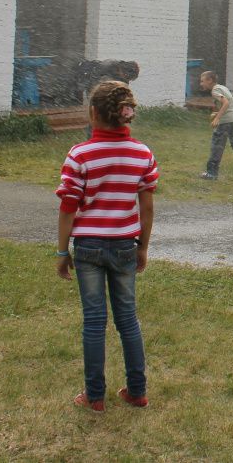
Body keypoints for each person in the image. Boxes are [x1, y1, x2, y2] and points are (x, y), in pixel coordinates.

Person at [55, 80, 157, 412]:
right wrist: (142, 246)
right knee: (128, 318)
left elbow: (68, 206)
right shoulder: (142, 154)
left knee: (94, 321)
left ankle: (94, 396)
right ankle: (137, 391)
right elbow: (147, 207)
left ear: (93, 113)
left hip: (88, 248)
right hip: (126, 245)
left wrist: (61, 252)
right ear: (125, 115)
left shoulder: (80, 154)